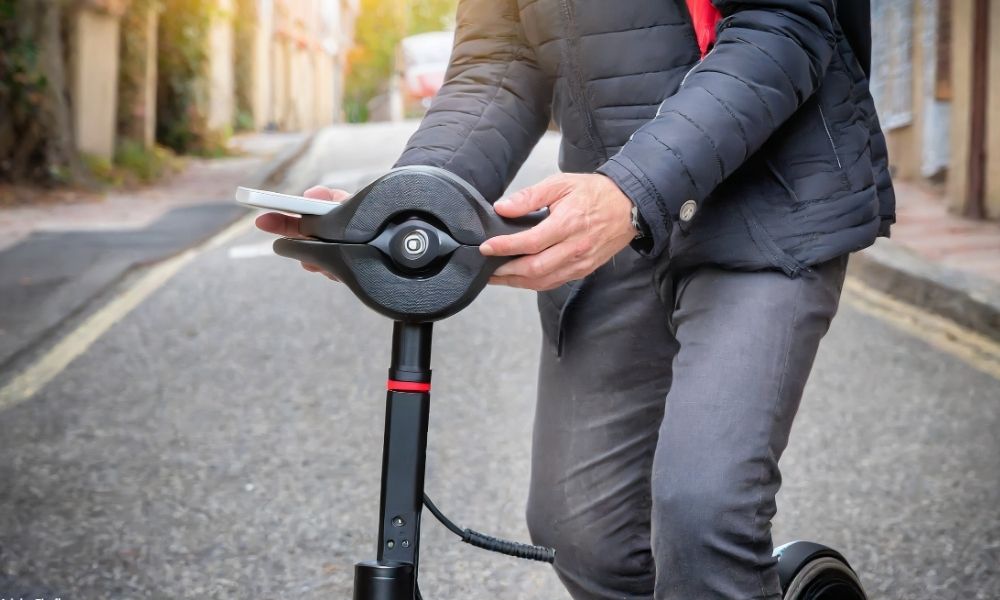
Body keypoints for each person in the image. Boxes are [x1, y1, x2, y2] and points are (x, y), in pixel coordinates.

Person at [257, 1, 893, 598]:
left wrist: (632, 190)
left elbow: (782, 22)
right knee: (584, 536)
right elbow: (499, 63)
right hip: (612, 216)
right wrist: (406, 209)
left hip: (767, 208)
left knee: (705, 516)